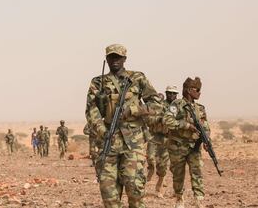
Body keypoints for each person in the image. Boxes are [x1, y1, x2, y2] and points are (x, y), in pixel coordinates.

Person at [85, 44, 163, 208]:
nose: (115, 61)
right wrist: (103, 131)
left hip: (133, 142)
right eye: (111, 57)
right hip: (107, 141)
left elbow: (157, 104)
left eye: (118, 57)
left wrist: (134, 110)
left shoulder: (137, 78)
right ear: (106, 59)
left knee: (135, 190)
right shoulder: (98, 82)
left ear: (124, 59)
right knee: (108, 193)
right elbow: (91, 110)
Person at [163, 77, 210, 208]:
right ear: (189, 90)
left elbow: (206, 127)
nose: (199, 93)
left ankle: (199, 200)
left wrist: (207, 140)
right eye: (197, 90)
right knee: (178, 174)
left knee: (197, 172)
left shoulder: (200, 108)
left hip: (194, 146)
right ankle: (179, 198)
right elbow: (167, 120)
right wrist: (185, 125)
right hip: (177, 146)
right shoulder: (176, 105)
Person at [146, 86, 179, 198]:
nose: (171, 95)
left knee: (162, 166)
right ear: (166, 93)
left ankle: (158, 188)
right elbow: (149, 119)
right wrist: (159, 119)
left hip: (167, 138)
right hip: (155, 136)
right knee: (150, 157)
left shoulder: (177, 108)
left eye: (174, 93)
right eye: (169, 93)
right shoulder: (158, 105)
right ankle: (150, 169)